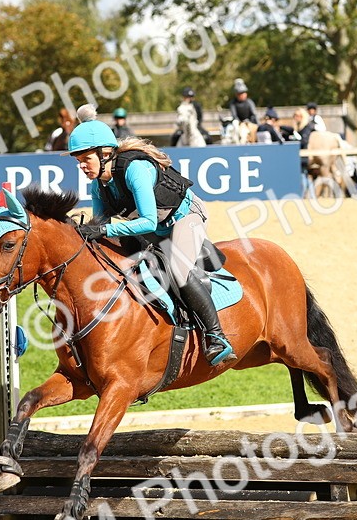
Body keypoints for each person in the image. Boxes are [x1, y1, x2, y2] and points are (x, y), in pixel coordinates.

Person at [66, 119, 236, 366]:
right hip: (155, 226)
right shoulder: (98, 186)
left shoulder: (136, 169)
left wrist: (104, 228)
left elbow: (146, 222)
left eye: (85, 159)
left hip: (185, 218)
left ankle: (217, 337)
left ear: (104, 154)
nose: (81, 166)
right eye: (78, 161)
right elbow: (99, 226)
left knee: (178, 270)